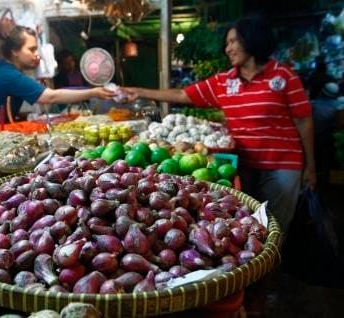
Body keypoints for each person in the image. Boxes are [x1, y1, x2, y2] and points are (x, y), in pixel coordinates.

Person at [124, 16, 316, 237]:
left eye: (233, 41)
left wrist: (310, 166)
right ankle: (254, 269)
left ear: (251, 39)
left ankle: (271, 268)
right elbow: (181, 94)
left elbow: (304, 120)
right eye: (227, 43)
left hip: (283, 165)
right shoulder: (224, 81)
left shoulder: (283, 76)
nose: (228, 49)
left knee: (277, 225)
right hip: (243, 164)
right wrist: (139, 92)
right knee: (250, 223)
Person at [0, 26, 114, 129]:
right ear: (15, 51)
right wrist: (93, 92)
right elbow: (51, 97)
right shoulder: (8, 75)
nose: (36, 54)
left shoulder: (0, 66)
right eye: (31, 49)